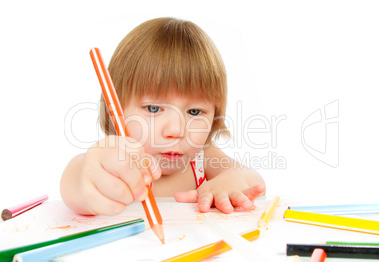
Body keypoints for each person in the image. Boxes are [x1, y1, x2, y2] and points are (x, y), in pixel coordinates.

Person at [60, 17, 265, 216]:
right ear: (116, 111)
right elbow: (76, 180)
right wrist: (85, 182)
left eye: (194, 112)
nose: (176, 130)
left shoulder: (204, 158)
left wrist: (228, 184)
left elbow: (254, 182)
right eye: (153, 109)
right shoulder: (111, 158)